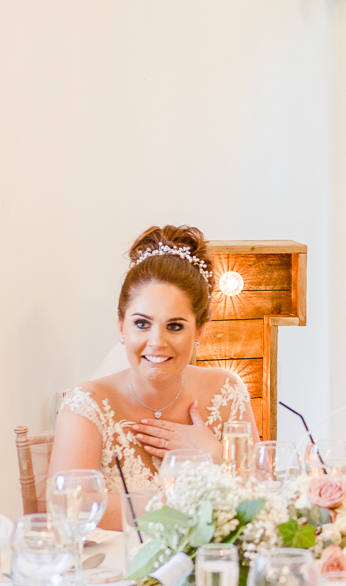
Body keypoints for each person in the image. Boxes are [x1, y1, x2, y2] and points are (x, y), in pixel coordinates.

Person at [49, 225, 259, 528]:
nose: (157, 342)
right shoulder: (86, 404)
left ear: (200, 330)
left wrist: (215, 454)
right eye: (142, 323)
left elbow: (260, 502)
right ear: (121, 326)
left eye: (175, 326)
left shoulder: (227, 391)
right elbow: (70, 506)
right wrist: (184, 506)